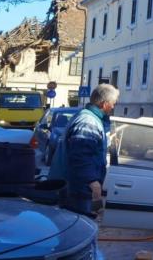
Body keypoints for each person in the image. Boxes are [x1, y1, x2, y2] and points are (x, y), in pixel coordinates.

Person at [60, 83, 117, 217]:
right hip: (79, 189)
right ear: (104, 104)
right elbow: (80, 155)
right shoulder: (88, 122)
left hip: (80, 187)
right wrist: (92, 182)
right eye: (113, 103)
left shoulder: (90, 118)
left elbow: (87, 148)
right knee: (79, 225)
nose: (113, 107)